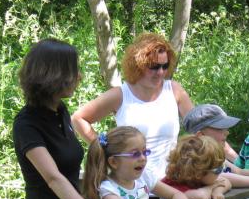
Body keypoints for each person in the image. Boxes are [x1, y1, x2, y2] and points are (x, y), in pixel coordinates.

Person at [13, 39, 123, 199]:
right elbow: (53, 177)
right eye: (73, 71)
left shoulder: (60, 111)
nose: (79, 77)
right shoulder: (27, 123)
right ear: (54, 75)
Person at [71, 33, 196, 180]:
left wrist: (228, 158)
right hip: (133, 186)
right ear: (138, 65)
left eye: (165, 66)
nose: (161, 72)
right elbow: (78, 118)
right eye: (154, 66)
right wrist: (105, 149)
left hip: (171, 182)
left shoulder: (174, 90)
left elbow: (201, 128)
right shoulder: (120, 95)